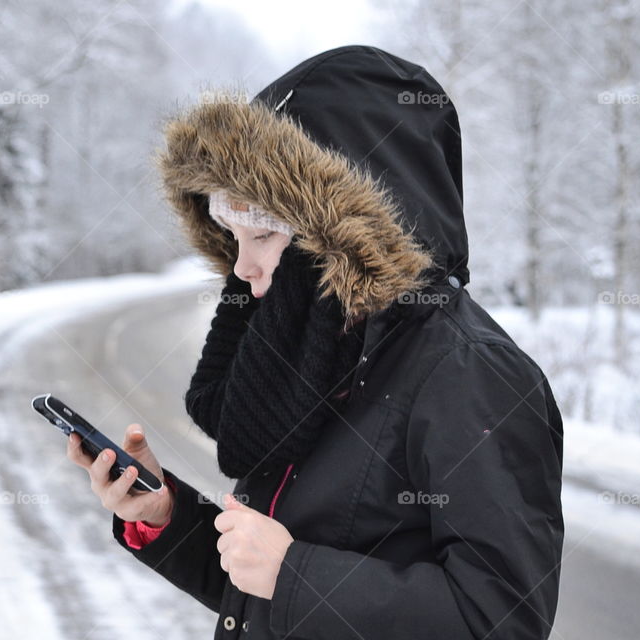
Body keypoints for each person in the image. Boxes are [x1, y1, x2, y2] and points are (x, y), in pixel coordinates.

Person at [66, 44, 565, 640]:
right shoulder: (313, 346)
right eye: (232, 235)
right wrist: (165, 516)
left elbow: (502, 621)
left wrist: (293, 574)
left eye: (263, 236)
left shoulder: (470, 372)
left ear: (345, 230)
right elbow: (262, 589)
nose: (242, 267)